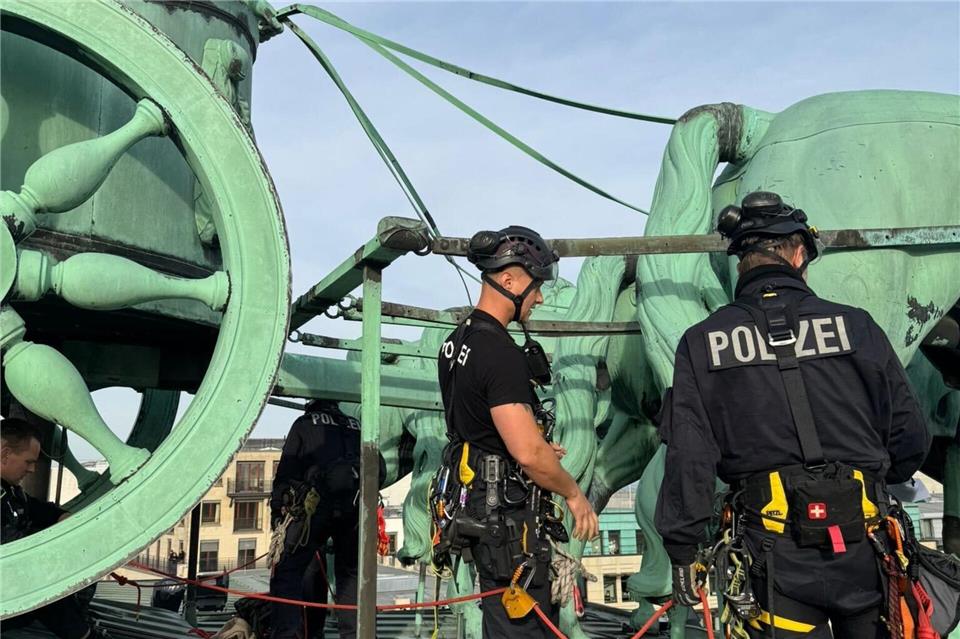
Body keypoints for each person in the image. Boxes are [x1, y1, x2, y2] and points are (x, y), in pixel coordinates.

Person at [655, 192, 930, 638]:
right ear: (799, 253)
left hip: (771, 550)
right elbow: (909, 435)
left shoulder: (702, 342)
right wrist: (875, 479)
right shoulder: (856, 325)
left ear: (740, 262)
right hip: (864, 543)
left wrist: (683, 548)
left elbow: (690, 454)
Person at [435, 225, 599, 638]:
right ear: (508, 280)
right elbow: (527, 453)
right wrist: (573, 494)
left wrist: (529, 446)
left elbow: (480, 427)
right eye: (535, 286)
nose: (540, 297)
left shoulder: (456, 341)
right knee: (521, 628)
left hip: (475, 502)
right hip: (506, 523)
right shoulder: (499, 352)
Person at [268, 400, 372, 639]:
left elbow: (286, 473)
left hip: (315, 509)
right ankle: (356, 634)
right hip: (354, 510)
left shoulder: (304, 424)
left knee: (288, 571)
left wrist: (277, 513)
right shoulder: (356, 425)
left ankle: (293, 633)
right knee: (351, 576)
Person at [2, 417, 104, 639]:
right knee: (44, 591)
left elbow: (39, 510)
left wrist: (63, 517)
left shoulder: (10, 492)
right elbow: (14, 549)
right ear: (5, 454)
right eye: (28, 461)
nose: (31, 469)